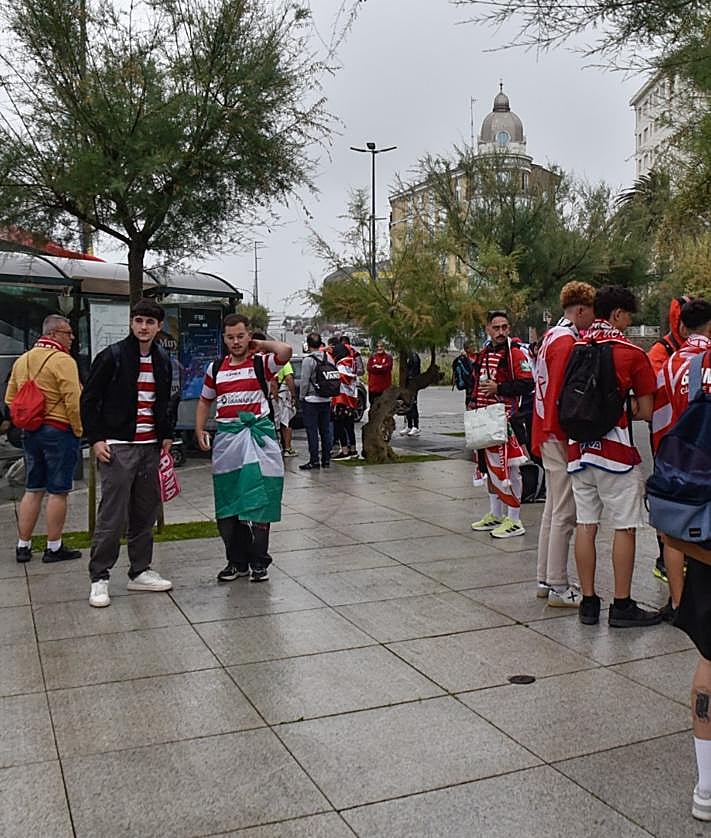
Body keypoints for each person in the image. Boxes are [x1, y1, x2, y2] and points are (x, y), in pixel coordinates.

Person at [567, 285, 661, 628]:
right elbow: (647, 410)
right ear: (618, 314)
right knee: (625, 526)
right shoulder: (630, 352)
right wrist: (621, 408)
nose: (629, 322)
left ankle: (588, 603)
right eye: (628, 315)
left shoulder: (576, 345)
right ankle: (622, 604)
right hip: (616, 453)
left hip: (578, 450)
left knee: (586, 524)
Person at [81, 299, 175, 607]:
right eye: (138, 321)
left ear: (159, 327)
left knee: (144, 512)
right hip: (118, 447)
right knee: (112, 514)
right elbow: (89, 400)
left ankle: (140, 571)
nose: (143, 327)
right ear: (131, 323)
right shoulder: (112, 356)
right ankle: (99, 577)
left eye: (150, 322)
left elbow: (163, 402)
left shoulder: (162, 358)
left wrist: (166, 435)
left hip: (150, 447)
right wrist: (96, 439)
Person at [195, 314, 292, 582]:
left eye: (240, 335)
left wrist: (263, 345)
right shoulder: (216, 368)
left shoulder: (262, 363)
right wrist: (199, 429)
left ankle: (260, 562)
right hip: (228, 443)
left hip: (260, 439)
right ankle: (236, 562)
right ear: (223, 339)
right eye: (230, 337)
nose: (236, 341)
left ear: (249, 335)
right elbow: (205, 401)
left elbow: (286, 351)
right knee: (228, 505)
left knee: (261, 501)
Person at [531, 281, 596, 606]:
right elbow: (565, 395)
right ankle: (558, 583)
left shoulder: (551, 337)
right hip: (558, 431)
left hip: (544, 429)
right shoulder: (567, 342)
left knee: (552, 508)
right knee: (565, 511)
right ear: (581, 309)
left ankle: (545, 578)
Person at [6, 314, 83, 564]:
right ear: (52, 334)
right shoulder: (63, 360)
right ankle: (53, 546)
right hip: (58, 430)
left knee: (33, 488)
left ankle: (23, 545)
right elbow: (74, 399)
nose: (71, 337)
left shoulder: (23, 360)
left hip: (31, 431)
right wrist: (79, 429)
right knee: (58, 491)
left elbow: (10, 399)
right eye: (67, 333)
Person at [651, 298, 711, 619]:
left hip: (677, 456)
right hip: (706, 455)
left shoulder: (672, 361)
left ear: (683, 326)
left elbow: (658, 412)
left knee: (675, 531)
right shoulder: (708, 359)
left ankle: (677, 603)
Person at [469, 310, 533, 538]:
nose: (501, 332)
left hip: (507, 420)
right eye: (496, 328)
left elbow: (527, 384)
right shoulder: (485, 352)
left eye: (504, 327)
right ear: (487, 328)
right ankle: (495, 514)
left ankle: (514, 519)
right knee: (488, 468)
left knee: (511, 469)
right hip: (485, 418)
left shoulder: (515, 353)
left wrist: (500, 389)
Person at [647, 295, 691, 583]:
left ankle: (687, 553)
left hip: (689, 438)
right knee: (668, 499)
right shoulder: (660, 351)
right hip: (665, 437)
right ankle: (665, 559)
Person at [299, 332, 333, 470]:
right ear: (320, 344)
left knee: (312, 431)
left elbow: (304, 381)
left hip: (311, 400)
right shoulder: (328, 358)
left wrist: (301, 397)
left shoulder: (308, 360)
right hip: (326, 398)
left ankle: (314, 460)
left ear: (308, 344)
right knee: (325, 430)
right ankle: (326, 459)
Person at [332, 341, 359, 459]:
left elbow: (342, 377)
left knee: (340, 425)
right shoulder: (352, 362)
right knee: (350, 426)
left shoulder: (341, 364)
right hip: (352, 397)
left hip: (342, 398)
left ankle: (345, 451)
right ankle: (353, 449)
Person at [272, 359, 298, 456]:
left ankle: (276, 447)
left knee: (275, 422)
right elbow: (289, 378)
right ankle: (287, 448)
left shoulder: (269, 363)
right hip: (283, 395)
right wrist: (293, 395)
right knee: (286, 422)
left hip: (272, 396)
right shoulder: (285, 363)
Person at [400, 350, 422, 436]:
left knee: (413, 404)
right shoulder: (407, 357)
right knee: (407, 403)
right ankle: (409, 425)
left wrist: (409, 377)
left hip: (412, 383)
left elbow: (414, 371)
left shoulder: (413, 356)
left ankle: (415, 426)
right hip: (408, 383)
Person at [366, 340, 393, 409]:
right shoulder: (372, 357)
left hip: (384, 388)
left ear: (384, 347)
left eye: (381, 346)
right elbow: (369, 368)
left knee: (383, 408)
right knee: (373, 408)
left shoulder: (388, 357)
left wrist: (378, 368)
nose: (379, 348)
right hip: (373, 388)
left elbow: (387, 368)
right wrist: (380, 368)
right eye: (378, 346)